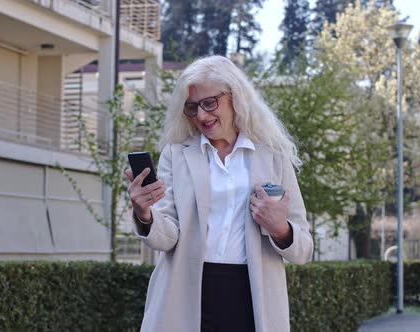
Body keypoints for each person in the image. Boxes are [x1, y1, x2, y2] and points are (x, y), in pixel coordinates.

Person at [125, 55, 313, 332]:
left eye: (210, 103)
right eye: (192, 107)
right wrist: (145, 214)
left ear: (235, 97)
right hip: (185, 294)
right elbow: (167, 238)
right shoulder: (176, 155)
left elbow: (304, 249)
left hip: (252, 298)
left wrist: (280, 229)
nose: (202, 115)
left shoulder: (274, 158)